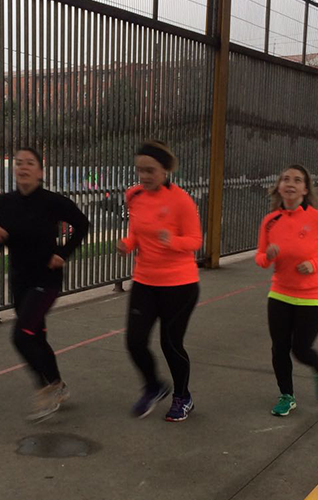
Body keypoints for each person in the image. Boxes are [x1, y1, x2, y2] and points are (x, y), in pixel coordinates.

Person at [0, 147, 90, 421]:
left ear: (40, 172)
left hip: (46, 279)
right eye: (18, 163)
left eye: (29, 163)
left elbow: (82, 224)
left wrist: (63, 253)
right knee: (36, 337)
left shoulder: (52, 201)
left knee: (21, 335)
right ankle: (58, 384)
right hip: (20, 280)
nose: (23, 167)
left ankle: (46, 389)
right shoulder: (6, 202)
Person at [118, 140, 202, 422]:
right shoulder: (134, 196)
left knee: (171, 343)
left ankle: (183, 397)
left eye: (150, 170)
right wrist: (128, 244)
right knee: (134, 341)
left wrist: (173, 241)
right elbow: (137, 232)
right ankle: (153, 386)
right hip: (145, 281)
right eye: (140, 170)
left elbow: (195, 240)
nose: (143, 176)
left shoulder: (181, 200)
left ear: (165, 170)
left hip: (180, 285)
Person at [255, 164, 318, 417]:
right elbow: (260, 259)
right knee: (279, 348)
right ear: (279, 186)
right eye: (285, 179)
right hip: (280, 293)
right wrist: (268, 256)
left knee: (301, 349)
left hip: (313, 295)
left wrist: (315, 264)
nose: (290, 183)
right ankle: (286, 395)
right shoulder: (270, 221)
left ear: (305, 189)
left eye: (297, 180)